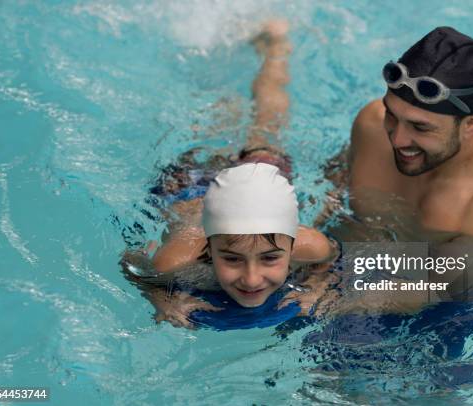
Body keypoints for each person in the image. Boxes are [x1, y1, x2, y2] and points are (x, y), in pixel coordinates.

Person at [121, 21, 339, 329]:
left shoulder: (312, 245)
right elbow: (133, 264)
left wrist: (318, 286)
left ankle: (276, 50)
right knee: (225, 120)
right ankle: (209, 64)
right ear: (209, 248)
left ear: (293, 245)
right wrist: (163, 299)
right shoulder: (176, 260)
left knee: (268, 120)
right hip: (190, 184)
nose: (251, 279)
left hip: (259, 179)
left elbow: (328, 259)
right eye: (232, 259)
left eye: (270, 258)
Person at [323, 26, 473, 242]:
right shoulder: (371, 125)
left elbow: (452, 281)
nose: (396, 139)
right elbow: (329, 199)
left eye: (420, 127)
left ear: (469, 125)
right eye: (391, 115)